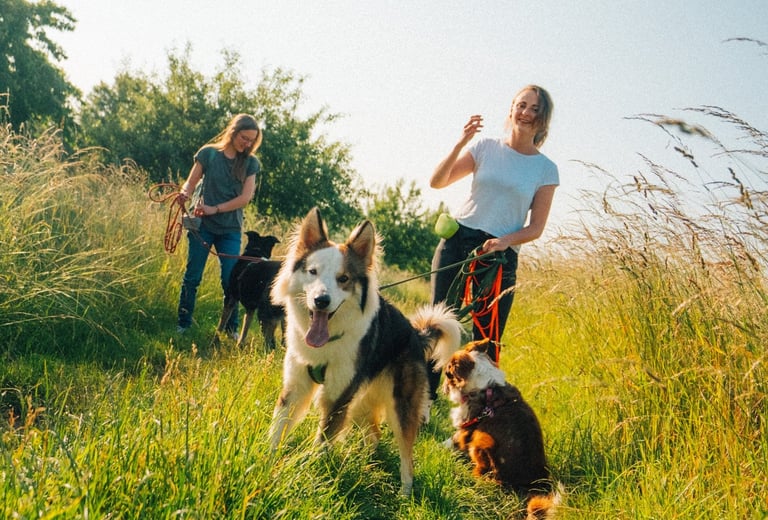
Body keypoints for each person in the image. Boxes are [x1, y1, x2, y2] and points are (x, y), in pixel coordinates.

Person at [428, 85, 559, 398]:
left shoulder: (545, 169)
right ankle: (423, 402)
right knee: (437, 325)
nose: (525, 113)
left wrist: (504, 242)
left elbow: (536, 227)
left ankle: (476, 409)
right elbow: (437, 182)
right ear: (511, 108)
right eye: (521, 105)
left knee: (487, 337)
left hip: (499, 254)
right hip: (458, 241)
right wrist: (462, 142)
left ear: (543, 120)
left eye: (534, 109)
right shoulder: (485, 147)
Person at [176, 113, 263, 334]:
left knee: (230, 280)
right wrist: (184, 193)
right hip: (202, 227)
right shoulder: (208, 154)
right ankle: (183, 325)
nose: (248, 143)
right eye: (244, 138)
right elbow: (190, 182)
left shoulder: (251, 163)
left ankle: (230, 329)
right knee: (192, 276)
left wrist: (215, 209)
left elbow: (245, 198)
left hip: (230, 230)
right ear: (233, 132)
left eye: (252, 140)